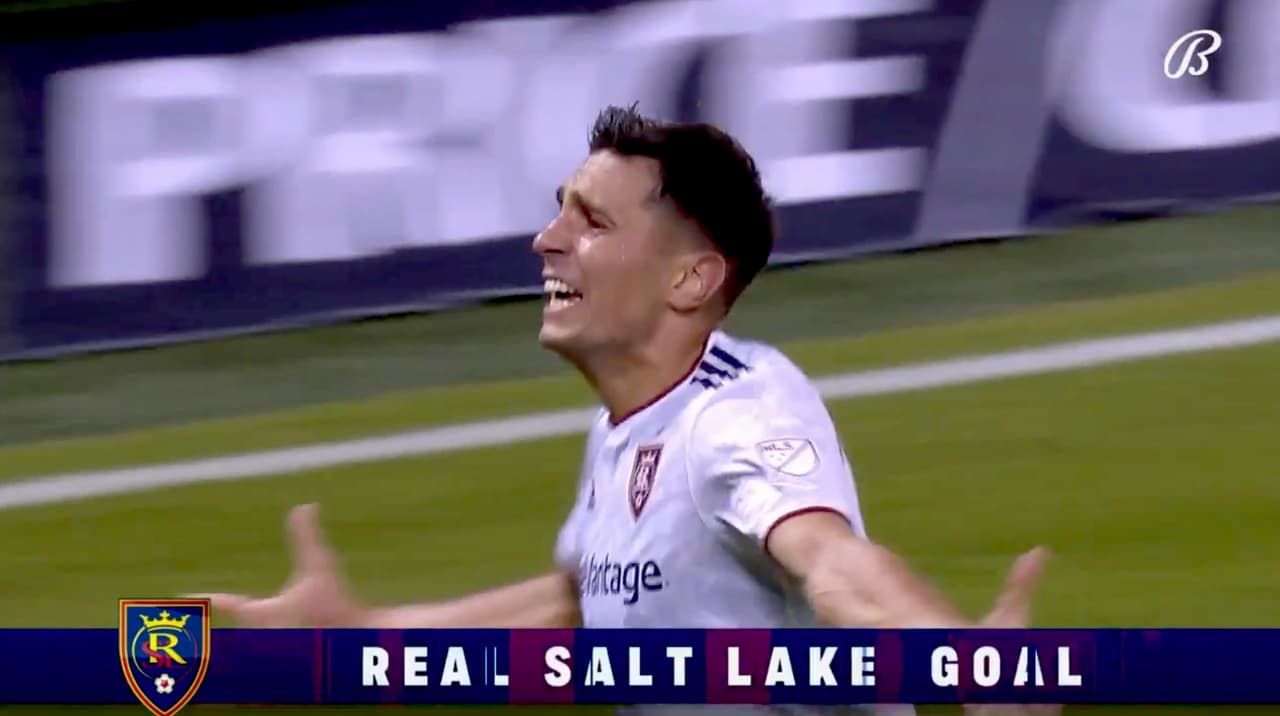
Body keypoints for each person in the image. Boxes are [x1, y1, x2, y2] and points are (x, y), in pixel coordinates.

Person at [198, 105, 1053, 714]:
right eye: (559, 212)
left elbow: (833, 565)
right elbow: (583, 606)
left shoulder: (737, 415)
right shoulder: (631, 424)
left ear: (691, 278)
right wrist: (364, 639)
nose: (547, 240)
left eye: (593, 222)